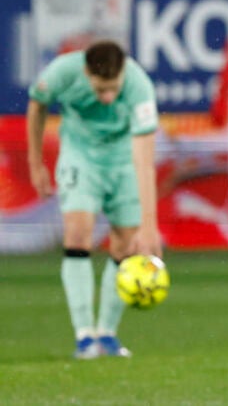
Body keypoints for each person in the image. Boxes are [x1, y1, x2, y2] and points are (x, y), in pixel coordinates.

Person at [26, 40, 162, 359]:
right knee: (77, 234)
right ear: (87, 73)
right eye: (101, 89)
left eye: (114, 88)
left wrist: (149, 225)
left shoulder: (140, 86)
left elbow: (144, 159)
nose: (108, 97)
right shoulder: (63, 71)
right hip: (80, 156)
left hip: (124, 161)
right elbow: (37, 105)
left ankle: (107, 334)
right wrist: (35, 164)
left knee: (126, 244)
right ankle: (84, 336)